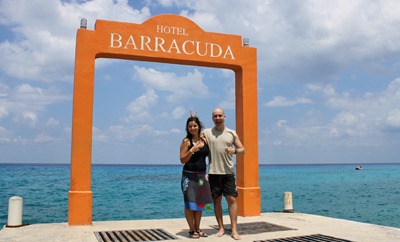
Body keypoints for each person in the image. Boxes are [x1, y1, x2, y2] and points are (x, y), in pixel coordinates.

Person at [203, 108, 245, 240]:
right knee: (217, 201)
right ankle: (221, 227)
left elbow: (242, 149)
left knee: (232, 199)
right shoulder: (207, 132)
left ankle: (234, 230)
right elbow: (195, 137)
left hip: (228, 172)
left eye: (220, 115)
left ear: (224, 117)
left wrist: (234, 151)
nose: (217, 118)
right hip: (214, 172)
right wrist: (193, 120)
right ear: (212, 118)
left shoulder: (231, 133)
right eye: (215, 116)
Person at [180, 115, 214, 239]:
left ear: (199, 126)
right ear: (187, 128)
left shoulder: (204, 140)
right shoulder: (186, 141)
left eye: (195, 125)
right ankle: (191, 230)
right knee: (190, 204)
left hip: (201, 176)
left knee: (200, 204)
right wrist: (192, 150)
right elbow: (182, 159)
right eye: (190, 126)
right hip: (189, 176)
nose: (192, 128)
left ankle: (198, 228)